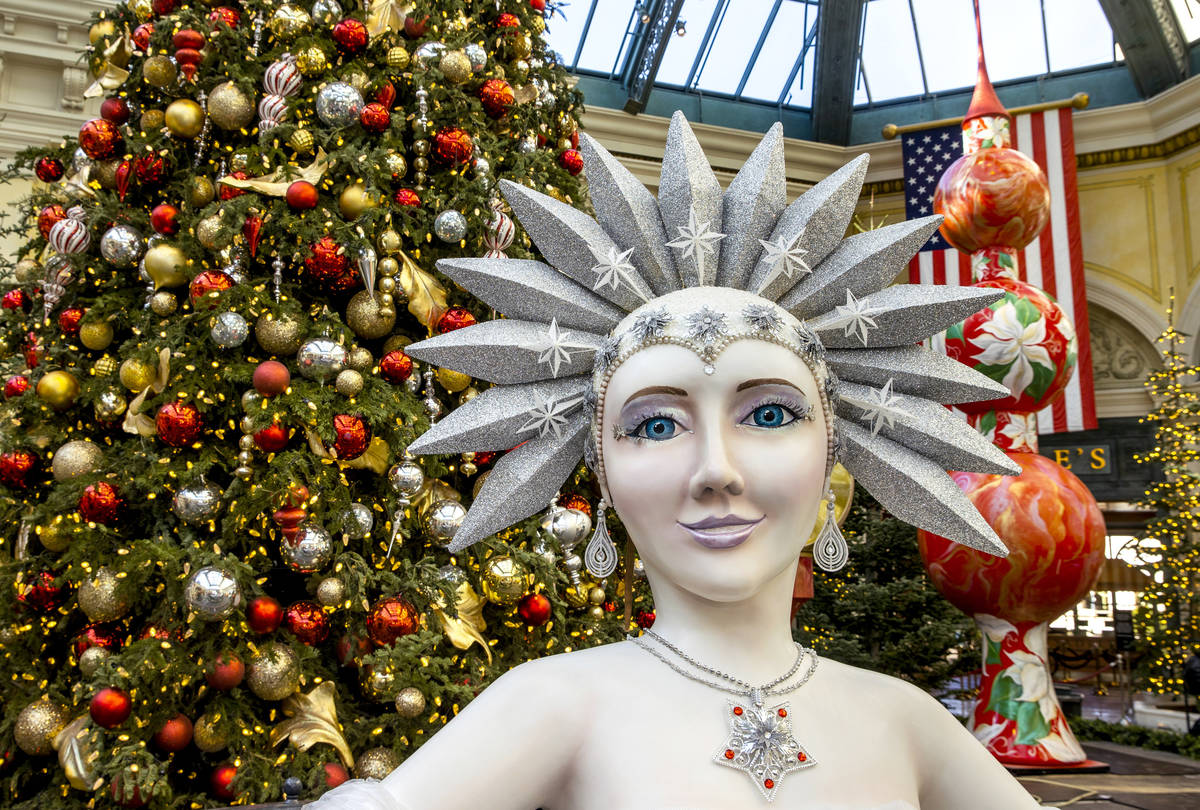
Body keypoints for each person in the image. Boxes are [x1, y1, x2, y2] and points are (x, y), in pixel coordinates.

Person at [309, 113, 1040, 808]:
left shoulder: (904, 722)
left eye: (770, 415)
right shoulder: (552, 708)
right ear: (601, 470)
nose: (716, 469)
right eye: (657, 425)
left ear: (833, 454)